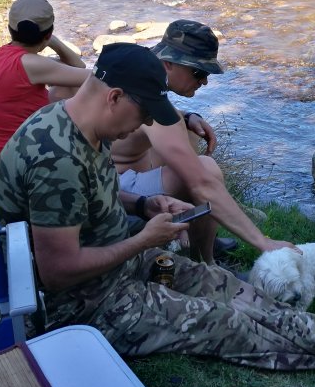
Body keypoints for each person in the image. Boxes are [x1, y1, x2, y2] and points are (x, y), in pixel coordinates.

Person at [0, 42, 315, 373]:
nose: (144, 125)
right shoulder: (56, 159)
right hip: (81, 305)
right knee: (220, 321)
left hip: (116, 268)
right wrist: (143, 241)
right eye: (143, 113)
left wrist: (143, 203)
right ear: (114, 97)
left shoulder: (79, 123)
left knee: (222, 284)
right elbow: (58, 270)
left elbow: (87, 196)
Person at [111, 19, 290, 262]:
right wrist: (263, 242)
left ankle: (203, 234)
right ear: (168, 63)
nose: (204, 81)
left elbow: (154, 117)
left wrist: (187, 117)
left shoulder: (139, 69)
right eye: (199, 72)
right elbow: (201, 182)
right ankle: (205, 263)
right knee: (206, 168)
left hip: (113, 180)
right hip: (117, 199)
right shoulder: (147, 93)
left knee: (189, 133)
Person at [0, 0, 90, 167]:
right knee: (80, 92)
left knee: (66, 87)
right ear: (48, 34)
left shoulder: (5, 53)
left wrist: (49, 39)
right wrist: (54, 41)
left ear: (10, 29)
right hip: (9, 166)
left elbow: (78, 67)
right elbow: (92, 77)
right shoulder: (32, 64)